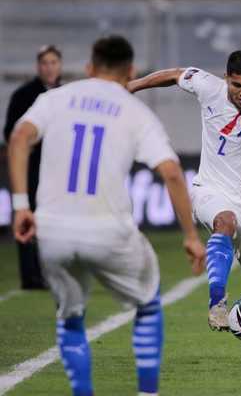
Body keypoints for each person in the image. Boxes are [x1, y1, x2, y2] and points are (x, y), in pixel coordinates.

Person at [8, 35, 206, 396]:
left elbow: (19, 138)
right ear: (130, 71)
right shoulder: (135, 112)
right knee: (147, 303)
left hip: (52, 231)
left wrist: (21, 205)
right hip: (108, 230)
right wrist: (191, 236)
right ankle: (147, 393)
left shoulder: (54, 99)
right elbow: (172, 172)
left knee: (70, 318)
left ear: (88, 68)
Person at [128, 50, 241, 359]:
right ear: (226, 78)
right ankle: (217, 302)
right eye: (237, 85)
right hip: (210, 190)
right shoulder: (207, 86)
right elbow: (175, 73)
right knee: (224, 221)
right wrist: (133, 86)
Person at [4, 44, 62, 289]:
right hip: (31, 168)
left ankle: (52, 272)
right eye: (44, 63)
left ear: (59, 65)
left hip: (56, 168)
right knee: (28, 216)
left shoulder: (65, 94)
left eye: (53, 62)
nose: (49, 67)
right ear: (38, 66)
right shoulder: (24, 95)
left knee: (53, 220)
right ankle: (30, 276)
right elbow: (10, 132)